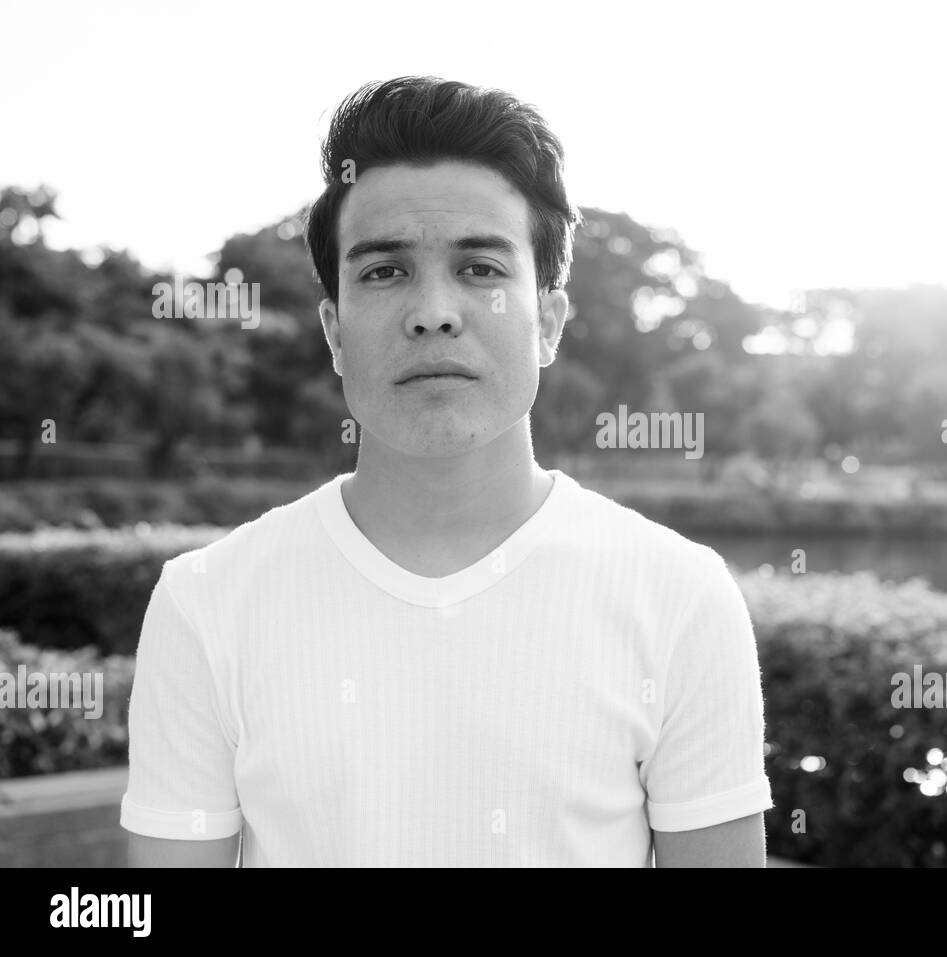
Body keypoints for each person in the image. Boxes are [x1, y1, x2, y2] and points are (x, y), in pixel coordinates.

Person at [120, 75, 773, 867]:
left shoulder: (681, 597)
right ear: (333, 330)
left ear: (551, 321)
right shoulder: (206, 603)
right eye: (384, 271)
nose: (434, 310)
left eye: (482, 269)